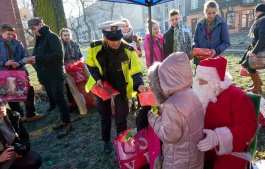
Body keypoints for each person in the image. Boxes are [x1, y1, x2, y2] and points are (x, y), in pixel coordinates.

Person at [85, 21, 146, 154]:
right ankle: (106, 141)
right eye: (112, 40)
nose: (116, 42)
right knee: (105, 115)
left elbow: (136, 70)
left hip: (121, 87)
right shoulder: (95, 48)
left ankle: (123, 143)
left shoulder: (128, 50)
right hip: (102, 87)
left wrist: (139, 84)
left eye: (118, 38)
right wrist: (97, 78)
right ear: (105, 37)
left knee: (121, 117)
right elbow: (90, 64)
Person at [193, 56, 257, 169]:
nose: (199, 84)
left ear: (216, 80)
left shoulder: (237, 97)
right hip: (200, 149)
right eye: (198, 79)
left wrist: (217, 138)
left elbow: (248, 127)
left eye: (204, 81)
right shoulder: (197, 95)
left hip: (230, 151)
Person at [147, 52, 205, 169]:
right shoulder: (192, 93)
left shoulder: (171, 105)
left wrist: (153, 119)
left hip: (178, 160)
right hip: (195, 157)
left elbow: (169, 136)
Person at [27, 17, 72, 139]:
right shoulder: (39, 38)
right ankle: (62, 119)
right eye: (31, 29)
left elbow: (58, 55)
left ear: (41, 24)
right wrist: (33, 61)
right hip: (45, 75)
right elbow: (37, 55)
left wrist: (38, 59)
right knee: (55, 99)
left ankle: (67, 123)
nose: (33, 30)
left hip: (55, 74)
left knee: (60, 98)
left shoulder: (52, 36)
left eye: (33, 27)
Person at [0, 23, 43, 122]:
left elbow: (25, 56)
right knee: (11, 94)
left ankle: (31, 114)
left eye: (12, 34)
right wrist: (4, 63)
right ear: (2, 33)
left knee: (29, 90)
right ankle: (19, 116)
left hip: (20, 71)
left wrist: (18, 63)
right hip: (6, 74)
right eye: (8, 34)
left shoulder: (17, 43)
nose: (11, 36)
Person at [0, 98, 42, 169]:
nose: (1, 107)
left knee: (34, 160)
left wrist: (20, 150)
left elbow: (24, 138)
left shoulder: (13, 116)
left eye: (0, 103)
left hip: (10, 156)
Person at [241, 3, 265, 94]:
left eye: (256, 12)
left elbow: (262, 38)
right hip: (257, 47)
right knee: (247, 64)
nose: (255, 14)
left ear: (260, 12)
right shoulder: (262, 20)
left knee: (250, 66)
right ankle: (257, 82)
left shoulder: (264, 21)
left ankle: (257, 87)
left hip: (260, 49)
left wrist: (254, 51)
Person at [192, 0, 230, 65]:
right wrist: (195, 49)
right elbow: (195, 41)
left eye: (214, 13)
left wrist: (216, 50)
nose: (212, 15)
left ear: (216, 12)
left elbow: (226, 43)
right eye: (209, 13)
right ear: (205, 12)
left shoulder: (222, 24)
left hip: (215, 59)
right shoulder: (199, 24)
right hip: (200, 61)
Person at [60, 28, 83, 113]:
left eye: (68, 35)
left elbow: (80, 56)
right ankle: (71, 104)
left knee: (78, 85)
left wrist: (81, 61)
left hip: (76, 67)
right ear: (61, 36)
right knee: (69, 86)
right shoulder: (60, 46)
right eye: (65, 35)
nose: (67, 37)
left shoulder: (76, 45)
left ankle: (80, 102)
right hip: (66, 68)